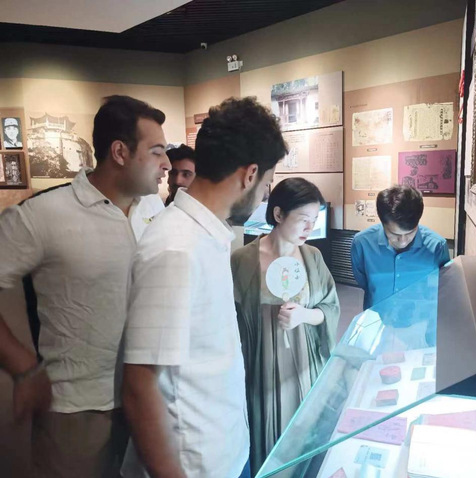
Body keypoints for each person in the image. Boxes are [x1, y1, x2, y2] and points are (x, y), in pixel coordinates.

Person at [0, 95, 169, 478]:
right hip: (77, 408)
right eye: (157, 151)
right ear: (120, 152)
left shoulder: (152, 208)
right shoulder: (43, 215)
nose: (167, 164)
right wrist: (21, 366)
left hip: (150, 395)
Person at [121, 96, 287, 478]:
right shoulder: (177, 247)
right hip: (195, 463)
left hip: (223, 448)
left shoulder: (207, 235)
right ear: (249, 175)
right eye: (267, 182)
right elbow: (140, 385)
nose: (265, 194)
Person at [231, 177, 340, 473]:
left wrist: (303, 315)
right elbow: (230, 321)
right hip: (262, 369)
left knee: (307, 435)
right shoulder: (242, 261)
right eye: (303, 219)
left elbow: (330, 308)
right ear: (278, 214)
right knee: (269, 437)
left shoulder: (312, 257)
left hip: (305, 367)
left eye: (314, 220)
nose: (310, 228)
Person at [351, 185, 450, 310]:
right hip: (377, 317)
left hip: (421, 318)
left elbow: (443, 288)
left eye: (410, 233)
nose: (403, 241)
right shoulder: (362, 244)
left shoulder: (436, 246)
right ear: (382, 223)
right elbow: (364, 282)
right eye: (394, 234)